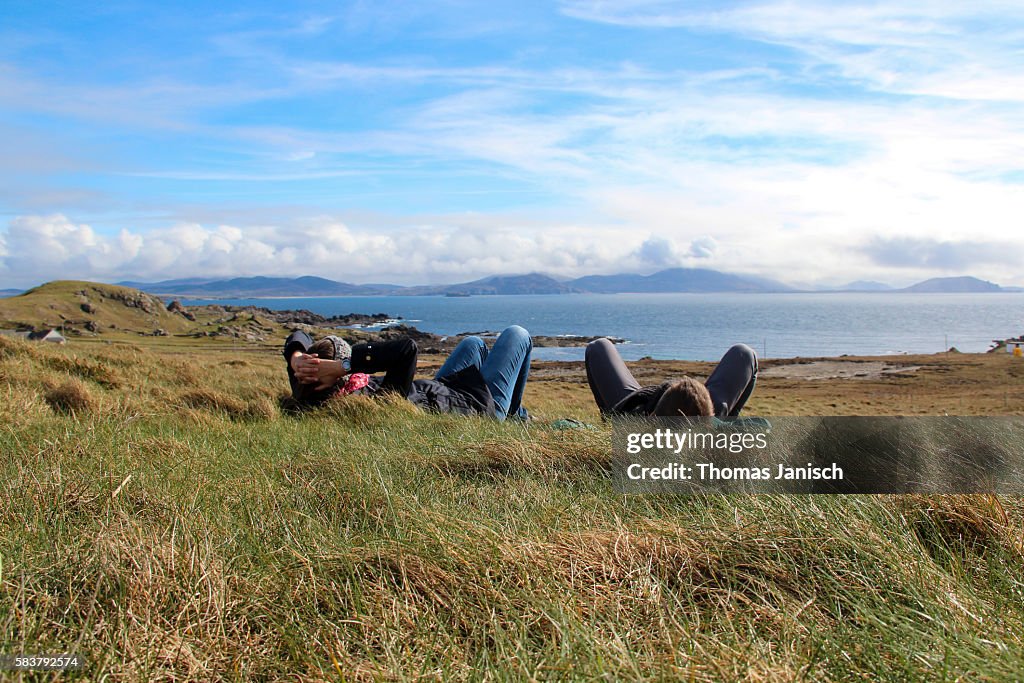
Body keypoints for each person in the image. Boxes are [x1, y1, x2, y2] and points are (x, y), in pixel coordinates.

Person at [283, 326, 532, 420]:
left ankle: (514, 410)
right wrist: (344, 366)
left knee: (473, 343)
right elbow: (405, 349)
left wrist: (296, 358)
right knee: (517, 334)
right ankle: (511, 415)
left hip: (444, 390)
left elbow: (297, 335)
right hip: (480, 408)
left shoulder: (307, 386)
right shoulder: (378, 401)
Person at [585, 338, 757, 417]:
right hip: (706, 421)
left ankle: (608, 418)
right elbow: (763, 425)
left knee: (599, 346)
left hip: (636, 413)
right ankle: (726, 418)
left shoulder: (631, 420)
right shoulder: (714, 430)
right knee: (744, 353)